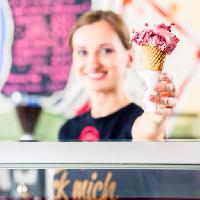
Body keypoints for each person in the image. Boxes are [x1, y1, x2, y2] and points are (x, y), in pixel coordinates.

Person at [59, 10, 176, 141]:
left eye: (106, 50)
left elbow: (146, 133)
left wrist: (154, 118)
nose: (92, 63)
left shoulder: (135, 121)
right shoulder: (67, 130)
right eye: (82, 52)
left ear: (129, 57)